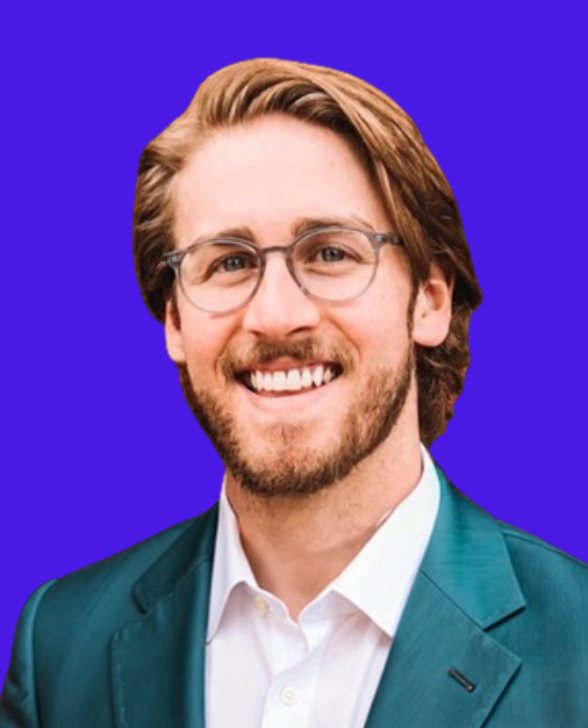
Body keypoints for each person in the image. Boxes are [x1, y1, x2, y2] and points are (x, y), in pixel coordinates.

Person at [1, 58, 587, 728]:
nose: (276, 316)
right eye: (229, 262)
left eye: (331, 253)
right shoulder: (59, 646)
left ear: (430, 300)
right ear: (175, 322)